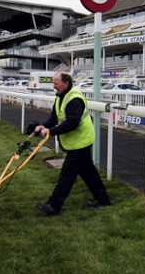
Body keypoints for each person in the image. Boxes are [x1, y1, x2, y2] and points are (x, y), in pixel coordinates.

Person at [33, 71, 111, 216]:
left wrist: (51, 131)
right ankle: (103, 199)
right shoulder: (61, 97)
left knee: (67, 174)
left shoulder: (74, 99)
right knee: (89, 173)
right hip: (77, 142)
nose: (54, 86)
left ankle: (54, 205)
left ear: (66, 83)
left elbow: (72, 123)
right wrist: (43, 126)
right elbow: (54, 117)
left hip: (80, 141)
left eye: (56, 83)